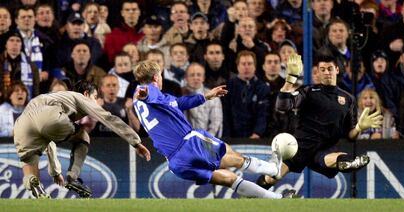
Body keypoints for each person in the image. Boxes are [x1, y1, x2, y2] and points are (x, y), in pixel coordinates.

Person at [132, 60, 295, 199]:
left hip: (175, 162)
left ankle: (277, 199)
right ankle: (274, 170)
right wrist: (145, 94)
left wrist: (206, 96)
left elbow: (180, 103)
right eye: (160, 75)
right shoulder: (147, 91)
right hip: (190, 145)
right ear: (155, 77)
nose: (161, 79)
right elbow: (147, 93)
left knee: (228, 179)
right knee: (235, 159)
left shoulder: (145, 101)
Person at [256, 52, 383, 189]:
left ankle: (349, 162)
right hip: (300, 147)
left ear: (337, 70)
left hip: (325, 148)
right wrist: (290, 79)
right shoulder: (308, 91)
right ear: (318, 72)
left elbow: (350, 136)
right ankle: (251, 194)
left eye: (330, 69)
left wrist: (359, 128)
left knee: (338, 158)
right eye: (322, 70)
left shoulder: (348, 99)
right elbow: (282, 106)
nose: (327, 72)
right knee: (271, 178)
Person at [13, 80, 150, 198]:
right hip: (48, 117)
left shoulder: (52, 98)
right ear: (86, 94)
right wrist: (136, 142)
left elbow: (48, 138)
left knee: (30, 170)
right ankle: (72, 177)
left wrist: (55, 172)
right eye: (95, 97)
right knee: (83, 136)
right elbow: (108, 118)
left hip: (21, 124)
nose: (96, 102)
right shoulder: (80, 97)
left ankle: (32, 183)